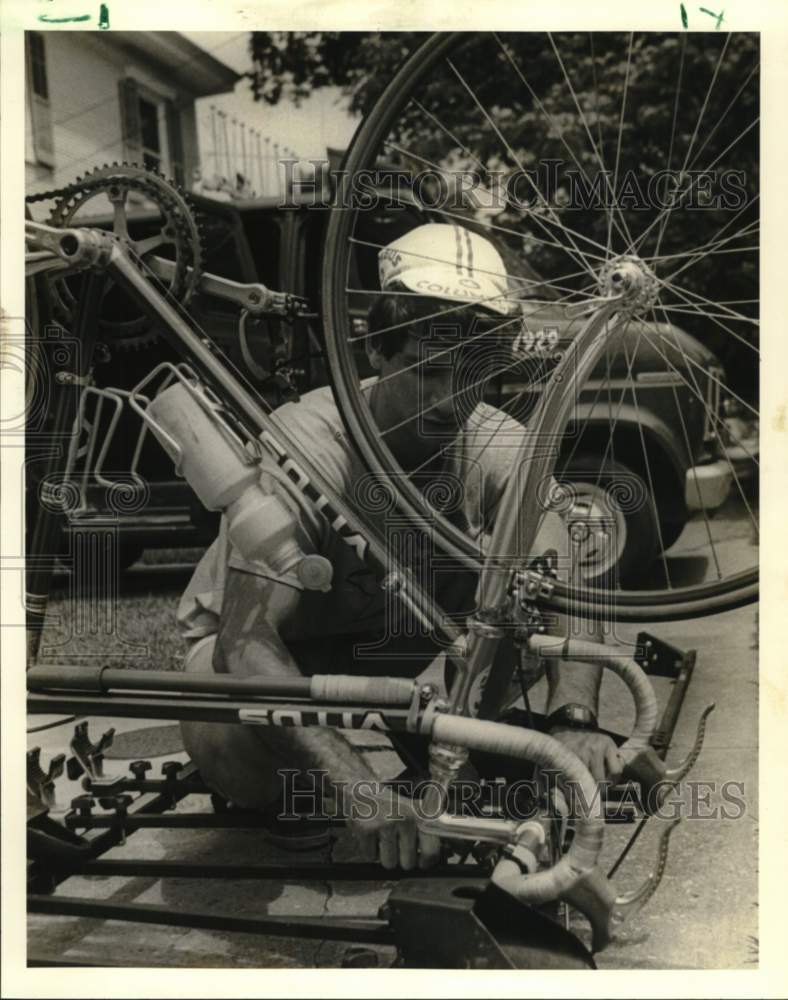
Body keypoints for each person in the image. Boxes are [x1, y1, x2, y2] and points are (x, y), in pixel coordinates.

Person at [176, 223, 623, 871]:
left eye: (472, 375)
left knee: (524, 610)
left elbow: (564, 582)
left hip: (388, 653)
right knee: (260, 771)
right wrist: (361, 791)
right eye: (428, 371)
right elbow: (245, 646)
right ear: (378, 353)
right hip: (258, 664)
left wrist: (574, 714)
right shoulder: (309, 443)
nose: (450, 401)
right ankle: (319, 787)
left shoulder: (491, 438)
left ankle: (444, 755)